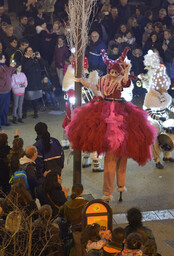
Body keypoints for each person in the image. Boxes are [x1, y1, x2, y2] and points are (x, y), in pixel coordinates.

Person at [67, 48, 156, 201]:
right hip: (104, 112)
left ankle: (120, 185)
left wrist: (127, 70)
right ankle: (108, 190)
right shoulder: (102, 80)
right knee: (111, 153)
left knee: (122, 153)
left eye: (116, 73)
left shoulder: (120, 79)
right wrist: (81, 81)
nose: (113, 75)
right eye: (112, 72)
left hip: (120, 113)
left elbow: (126, 82)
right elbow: (95, 89)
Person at [143, 65, 174, 169]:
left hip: (165, 119)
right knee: (154, 138)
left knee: (168, 136)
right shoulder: (150, 96)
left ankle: (167, 155)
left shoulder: (165, 94)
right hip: (154, 121)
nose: (164, 89)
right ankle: (157, 159)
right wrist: (158, 118)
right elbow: (147, 111)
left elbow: (168, 106)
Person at [59, 183, 89, 256]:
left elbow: (61, 213)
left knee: (77, 248)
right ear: (82, 192)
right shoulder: (86, 204)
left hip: (74, 230)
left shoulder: (67, 204)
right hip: (86, 229)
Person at [0, 53, 16, 129]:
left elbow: (10, 72)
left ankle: (4, 121)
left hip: (7, 89)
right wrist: (10, 68)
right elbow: (4, 76)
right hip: (1, 90)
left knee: (5, 107)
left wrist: (13, 66)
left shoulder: (4, 65)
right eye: (4, 58)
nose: (5, 59)